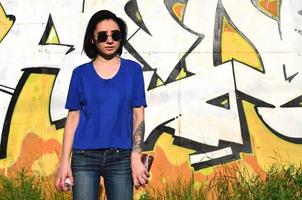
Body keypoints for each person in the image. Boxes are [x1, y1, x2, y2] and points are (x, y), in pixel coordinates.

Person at [55, 10, 148, 200]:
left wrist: (136, 156)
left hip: (121, 157)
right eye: (103, 36)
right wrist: (65, 162)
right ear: (92, 39)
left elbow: (139, 115)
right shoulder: (80, 74)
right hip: (84, 157)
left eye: (116, 35)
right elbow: (72, 119)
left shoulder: (133, 71)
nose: (110, 40)